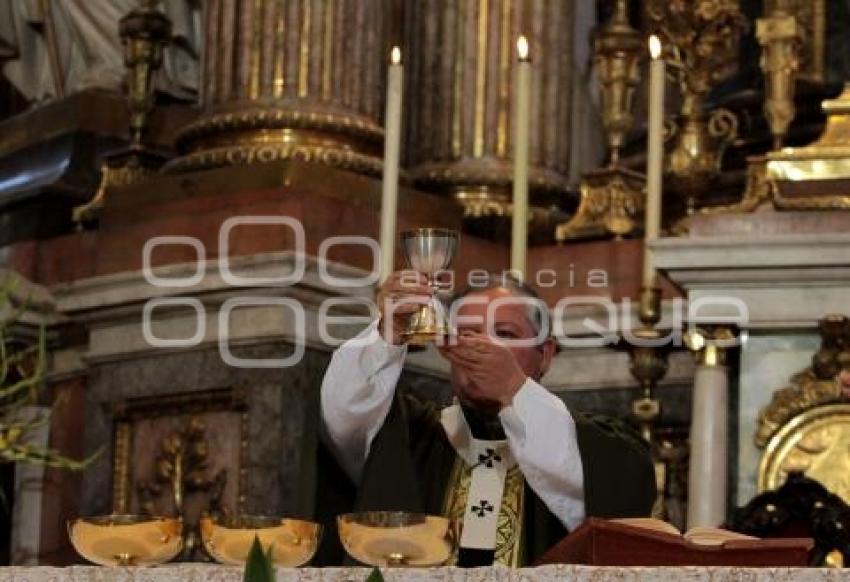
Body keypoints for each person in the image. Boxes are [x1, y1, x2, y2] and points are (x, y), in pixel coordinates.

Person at [314, 272, 656, 566]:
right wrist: (390, 330)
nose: (484, 346)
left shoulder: (595, 442)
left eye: (505, 334)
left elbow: (610, 493)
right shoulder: (410, 434)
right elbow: (345, 408)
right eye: (467, 332)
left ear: (546, 354)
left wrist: (512, 387)